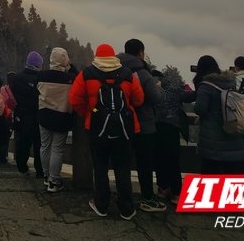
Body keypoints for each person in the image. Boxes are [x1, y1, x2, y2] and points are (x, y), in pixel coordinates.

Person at [69, 43, 144, 220]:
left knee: (100, 167)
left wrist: (89, 113)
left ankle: (101, 205)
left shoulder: (86, 73)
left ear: (97, 56)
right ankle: (126, 208)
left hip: (97, 128)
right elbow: (139, 99)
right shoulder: (127, 74)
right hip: (124, 128)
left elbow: (75, 99)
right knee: (122, 167)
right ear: (113, 57)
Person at [118, 39, 166, 212]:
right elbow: (156, 98)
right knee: (144, 163)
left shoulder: (115, 68)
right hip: (143, 124)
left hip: (119, 122)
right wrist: (159, 87)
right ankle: (147, 197)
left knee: (122, 161)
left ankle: (123, 198)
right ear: (140, 53)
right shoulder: (143, 73)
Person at [193, 55, 244, 173]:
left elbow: (200, 109)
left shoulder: (206, 86)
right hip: (233, 135)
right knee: (229, 179)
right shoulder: (231, 83)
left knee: (211, 177)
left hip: (213, 142)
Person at [37, 47, 75, 193]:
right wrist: (70, 66)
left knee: (44, 146)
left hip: (44, 114)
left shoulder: (41, 75)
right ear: (65, 60)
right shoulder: (70, 78)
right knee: (57, 149)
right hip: (62, 116)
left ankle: (46, 176)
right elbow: (77, 76)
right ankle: (54, 181)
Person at [152, 66, 188, 204]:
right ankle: (176, 193)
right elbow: (188, 96)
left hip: (155, 128)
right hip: (172, 128)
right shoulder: (173, 89)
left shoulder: (149, 88)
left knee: (159, 159)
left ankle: (163, 188)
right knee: (173, 161)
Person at [10, 51, 45, 179]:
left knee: (22, 143)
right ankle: (40, 171)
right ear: (38, 65)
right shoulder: (40, 79)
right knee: (39, 144)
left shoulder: (17, 77)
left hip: (21, 116)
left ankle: (22, 167)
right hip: (37, 116)